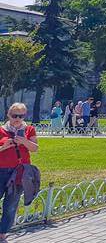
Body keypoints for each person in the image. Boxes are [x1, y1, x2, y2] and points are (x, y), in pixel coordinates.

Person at [0, 103, 38, 240]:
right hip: (1, 170)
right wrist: (3, 147)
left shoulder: (29, 130)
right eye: (14, 115)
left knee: (11, 203)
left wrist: (24, 141)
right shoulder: (1, 130)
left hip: (19, 172)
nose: (17, 118)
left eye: (20, 116)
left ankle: (2, 233)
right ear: (8, 115)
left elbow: (34, 148)